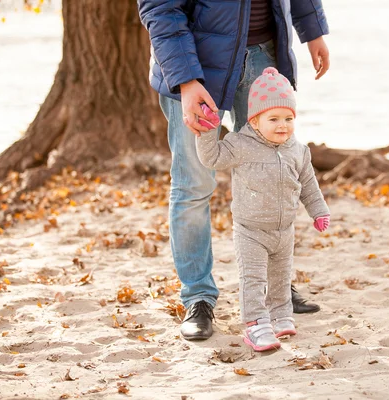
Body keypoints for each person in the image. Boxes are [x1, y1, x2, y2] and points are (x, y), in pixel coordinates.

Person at [137, 0, 330, 340]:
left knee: (272, 172)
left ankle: (276, 291)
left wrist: (312, 30)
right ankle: (197, 297)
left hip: (264, 57)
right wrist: (185, 79)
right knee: (193, 184)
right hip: (196, 63)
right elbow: (160, 6)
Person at [196, 67, 330, 351]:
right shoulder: (241, 144)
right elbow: (211, 158)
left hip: (284, 230)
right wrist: (208, 131)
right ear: (255, 121)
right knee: (254, 279)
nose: (283, 125)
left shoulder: (297, 150)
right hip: (251, 230)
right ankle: (256, 323)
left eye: (288, 118)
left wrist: (319, 211)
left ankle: (281, 315)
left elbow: (308, 183)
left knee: (281, 276)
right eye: (274, 119)